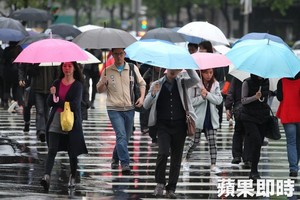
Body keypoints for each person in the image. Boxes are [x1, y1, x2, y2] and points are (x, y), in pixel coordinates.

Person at [144, 69, 200, 198]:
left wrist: (188, 66)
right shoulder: (157, 84)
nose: (174, 71)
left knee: (176, 158)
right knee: (163, 153)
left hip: (180, 126)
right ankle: (159, 183)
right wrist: (153, 93)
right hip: (163, 125)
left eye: (177, 69)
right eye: (172, 68)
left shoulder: (182, 83)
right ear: (167, 69)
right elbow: (146, 105)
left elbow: (196, 80)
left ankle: (171, 188)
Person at [96, 48, 146, 174]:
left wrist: (142, 97)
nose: (119, 56)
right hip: (114, 108)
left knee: (125, 137)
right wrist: (103, 82)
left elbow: (142, 83)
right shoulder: (107, 70)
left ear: (124, 54)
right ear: (112, 55)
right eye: (116, 54)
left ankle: (115, 157)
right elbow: (99, 89)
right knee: (121, 135)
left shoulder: (132, 68)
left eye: (121, 54)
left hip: (129, 108)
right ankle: (125, 164)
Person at [40, 62, 88, 191]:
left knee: (72, 151)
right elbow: (49, 103)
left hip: (71, 121)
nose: (66, 68)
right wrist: (52, 94)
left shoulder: (77, 85)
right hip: (56, 119)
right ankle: (46, 176)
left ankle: (73, 175)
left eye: (69, 66)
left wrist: (58, 101)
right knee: (52, 150)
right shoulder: (56, 82)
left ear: (74, 68)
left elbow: (75, 105)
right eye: (64, 66)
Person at [185, 68, 223, 174]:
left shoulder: (215, 84)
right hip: (198, 117)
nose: (209, 75)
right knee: (195, 141)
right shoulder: (194, 83)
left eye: (211, 72)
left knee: (212, 142)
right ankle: (186, 158)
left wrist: (208, 95)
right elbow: (190, 101)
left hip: (211, 117)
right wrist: (202, 97)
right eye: (206, 72)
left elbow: (219, 100)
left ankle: (213, 164)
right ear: (201, 72)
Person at [240, 74, 270, 181]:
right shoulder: (246, 82)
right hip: (249, 117)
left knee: (259, 144)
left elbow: (266, 99)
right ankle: (253, 169)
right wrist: (255, 97)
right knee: (256, 140)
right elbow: (243, 100)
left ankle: (254, 171)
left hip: (262, 117)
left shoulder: (266, 82)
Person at [276, 72, 300, 177]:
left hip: (288, 114)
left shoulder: (282, 81)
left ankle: (293, 168)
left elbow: (280, 97)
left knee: (291, 142)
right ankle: (296, 164)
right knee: (298, 142)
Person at [225, 77, 251, 168]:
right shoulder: (257, 78)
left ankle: (237, 155)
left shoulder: (237, 77)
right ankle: (247, 157)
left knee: (238, 132)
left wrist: (228, 107)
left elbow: (231, 92)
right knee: (248, 133)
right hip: (251, 109)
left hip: (238, 108)